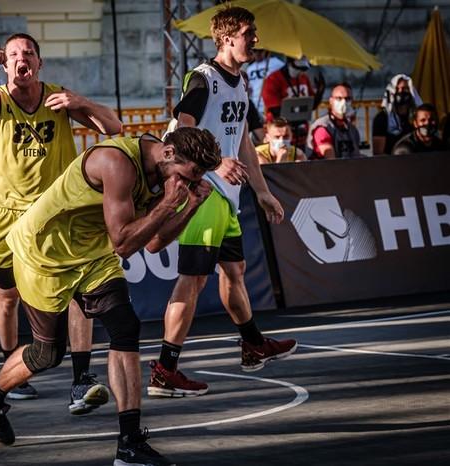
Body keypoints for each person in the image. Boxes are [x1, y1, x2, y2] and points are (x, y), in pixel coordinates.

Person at [0, 126, 219, 465]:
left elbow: (154, 242)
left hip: (93, 255)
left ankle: (129, 444)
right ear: (170, 153)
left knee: (126, 328)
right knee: (47, 353)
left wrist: (190, 206)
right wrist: (167, 206)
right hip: (45, 253)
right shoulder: (116, 162)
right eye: (190, 175)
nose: (189, 183)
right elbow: (124, 244)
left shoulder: (165, 173)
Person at [0, 33, 122, 408]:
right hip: (7, 217)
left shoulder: (57, 98)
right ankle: (11, 370)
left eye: (28, 53)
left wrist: (81, 102)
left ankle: (81, 379)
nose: (21, 58)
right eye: (13, 54)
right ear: (4, 64)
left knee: (77, 291)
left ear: (39, 62)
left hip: (55, 212)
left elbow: (113, 128)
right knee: (7, 295)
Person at [149, 6, 296, 399]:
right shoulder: (203, 79)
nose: (255, 39)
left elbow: (243, 140)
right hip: (202, 191)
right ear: (227, 38)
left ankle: (253, 344)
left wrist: (261, 191)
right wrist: (215, 163)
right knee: (193, 279)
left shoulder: (240, 81)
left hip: (225, 194)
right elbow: (181, 134)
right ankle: (165, 369)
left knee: (235, 270)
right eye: (249, 33)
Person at [262, 56, 325, 150]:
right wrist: (295, 119)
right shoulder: (273, 79)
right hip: (281, 135)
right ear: (290, 62)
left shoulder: (303, 78)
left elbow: (311, 106)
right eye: (298, 69)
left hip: (301, 134)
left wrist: (320, 92)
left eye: (303, 70)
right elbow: (275, 110)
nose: (300, 72)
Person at [306, 82, 362, 159]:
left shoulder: (352, 129)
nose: (344, 102)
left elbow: (356, 155)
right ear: (331, 101)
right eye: (339, 98)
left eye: (348, 99)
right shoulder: (323, 127)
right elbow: (330, 160)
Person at [372, 74, 421, 155]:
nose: (401, 92)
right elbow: (378, 153)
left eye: (405, 89)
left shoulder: (417, 118)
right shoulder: (382, 118)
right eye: (397, 89)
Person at [245, 48, 284, 115]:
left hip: (272, 105)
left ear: (265, 51)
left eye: (260, 51)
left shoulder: (276, 62)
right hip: (256, 105)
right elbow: (250, 88)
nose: (258, 53)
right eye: (255, 51)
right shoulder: (250, 68)